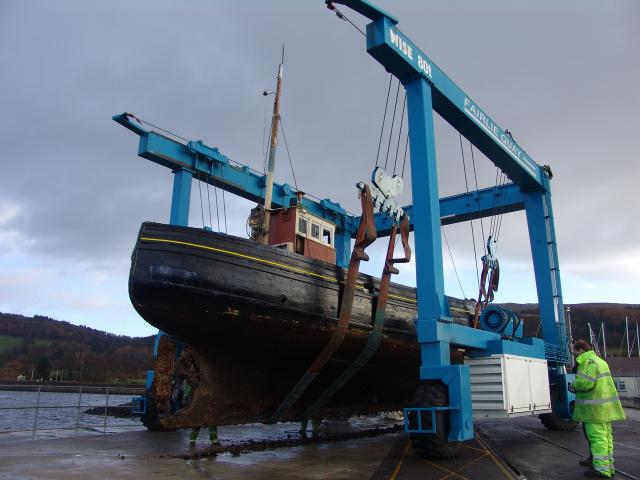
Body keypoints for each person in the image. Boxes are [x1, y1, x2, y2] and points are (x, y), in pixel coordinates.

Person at [570, 340, 626, 478]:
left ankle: (601, 470)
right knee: (606, 438)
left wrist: (573, 385)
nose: (574, 355)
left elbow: (586, 383)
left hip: (594, 409)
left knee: (597, 439)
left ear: (581, 350)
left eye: (575, 352)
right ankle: (609, 467)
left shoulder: (587, 362)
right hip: (605, 408)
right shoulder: (601, 361)